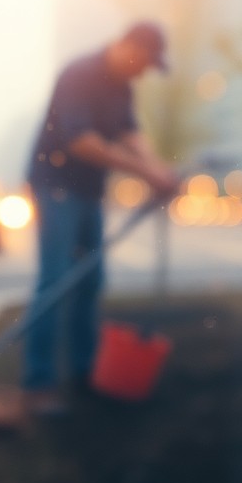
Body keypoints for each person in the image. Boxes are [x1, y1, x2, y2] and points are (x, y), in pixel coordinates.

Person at [22, 21, 180, 415]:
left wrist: (157, 166)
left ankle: (84, 371)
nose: (143, 73)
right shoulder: (80, 75)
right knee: (56, 281)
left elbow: (129, 131)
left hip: (89, 191)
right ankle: (39, 381)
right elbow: (81, 142)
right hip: (56, 184)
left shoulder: (121, 86)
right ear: (128, 47)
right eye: (144, 63)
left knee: (91, 280)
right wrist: (144, 173)